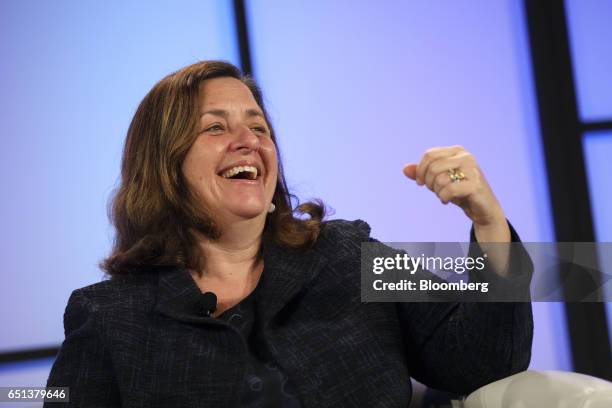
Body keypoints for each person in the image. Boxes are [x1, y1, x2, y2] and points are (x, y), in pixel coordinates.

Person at [45, 60, 532, 407]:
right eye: (215, 128)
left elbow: (481, 362)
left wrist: (487, 220)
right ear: (165, 166)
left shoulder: (349, 256)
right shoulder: (110, 319)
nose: (248, 142)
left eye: (259, 127)